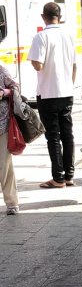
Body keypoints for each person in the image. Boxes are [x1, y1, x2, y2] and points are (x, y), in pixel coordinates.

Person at [27, 1, 77, 188]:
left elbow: (38, 64)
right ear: (60, 16)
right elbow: (74, 65)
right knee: (67, 134)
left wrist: (33, 61)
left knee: (53, 136)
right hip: (66, 92)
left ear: (43, 16)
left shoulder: (41, 37)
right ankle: (70, 175)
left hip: (48, 93)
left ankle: (58, 177)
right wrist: (69, 85)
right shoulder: (68, 35)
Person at [0, 64, 20, 215]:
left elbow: (16, 88)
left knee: (4, 165)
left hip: (2, 124)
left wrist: (4, 92)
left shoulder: (1, 69)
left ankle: (11, 203)